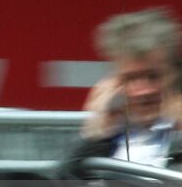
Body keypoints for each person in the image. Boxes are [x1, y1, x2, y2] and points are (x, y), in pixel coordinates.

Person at [74, 8, 181, 167]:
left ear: (176, 73)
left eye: (153, 76)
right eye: (130, 79)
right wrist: (97, 135)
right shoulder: (109, 135)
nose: (144, 91)